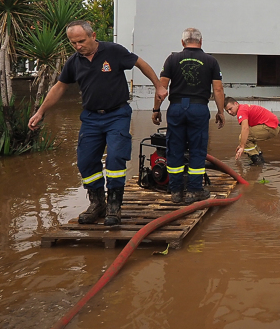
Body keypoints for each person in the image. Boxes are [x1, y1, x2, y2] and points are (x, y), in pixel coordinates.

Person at [27, 20, 165, 227]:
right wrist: (40, 112)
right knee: (86, 161)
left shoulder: (114, 51)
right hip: (91, 118)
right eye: (73, 43)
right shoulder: (74, 62)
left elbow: (140, 63)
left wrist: (158, 87)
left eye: (81, 41)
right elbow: (59, 87)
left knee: (116, 158)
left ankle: (114, 206)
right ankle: (97, 204)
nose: (78, 46)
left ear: (93, 35)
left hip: (117, 114)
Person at [153, 27, 225, 204]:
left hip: (176, 107)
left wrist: (156, 109)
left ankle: (176, 191)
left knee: (175, 148)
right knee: (197, 149)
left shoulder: (172, 59)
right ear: (201, 42)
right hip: (198, 108)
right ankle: (194, 190)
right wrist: (221, 112)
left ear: (182, 42)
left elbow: (162, 88)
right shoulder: (211, 61)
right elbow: (218, 89)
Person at [223, 97, 279, 166]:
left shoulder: (241, 111)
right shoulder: (244, 108)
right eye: (227, 111)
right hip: (273, 126)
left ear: (236, 104)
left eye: (230, 109)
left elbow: (245, 129)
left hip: (270, 127)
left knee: (243, 137)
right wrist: (241, 144)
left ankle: (257, 162)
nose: (229, 112)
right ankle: (260, 159)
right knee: (246, 138)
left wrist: (242, 146)